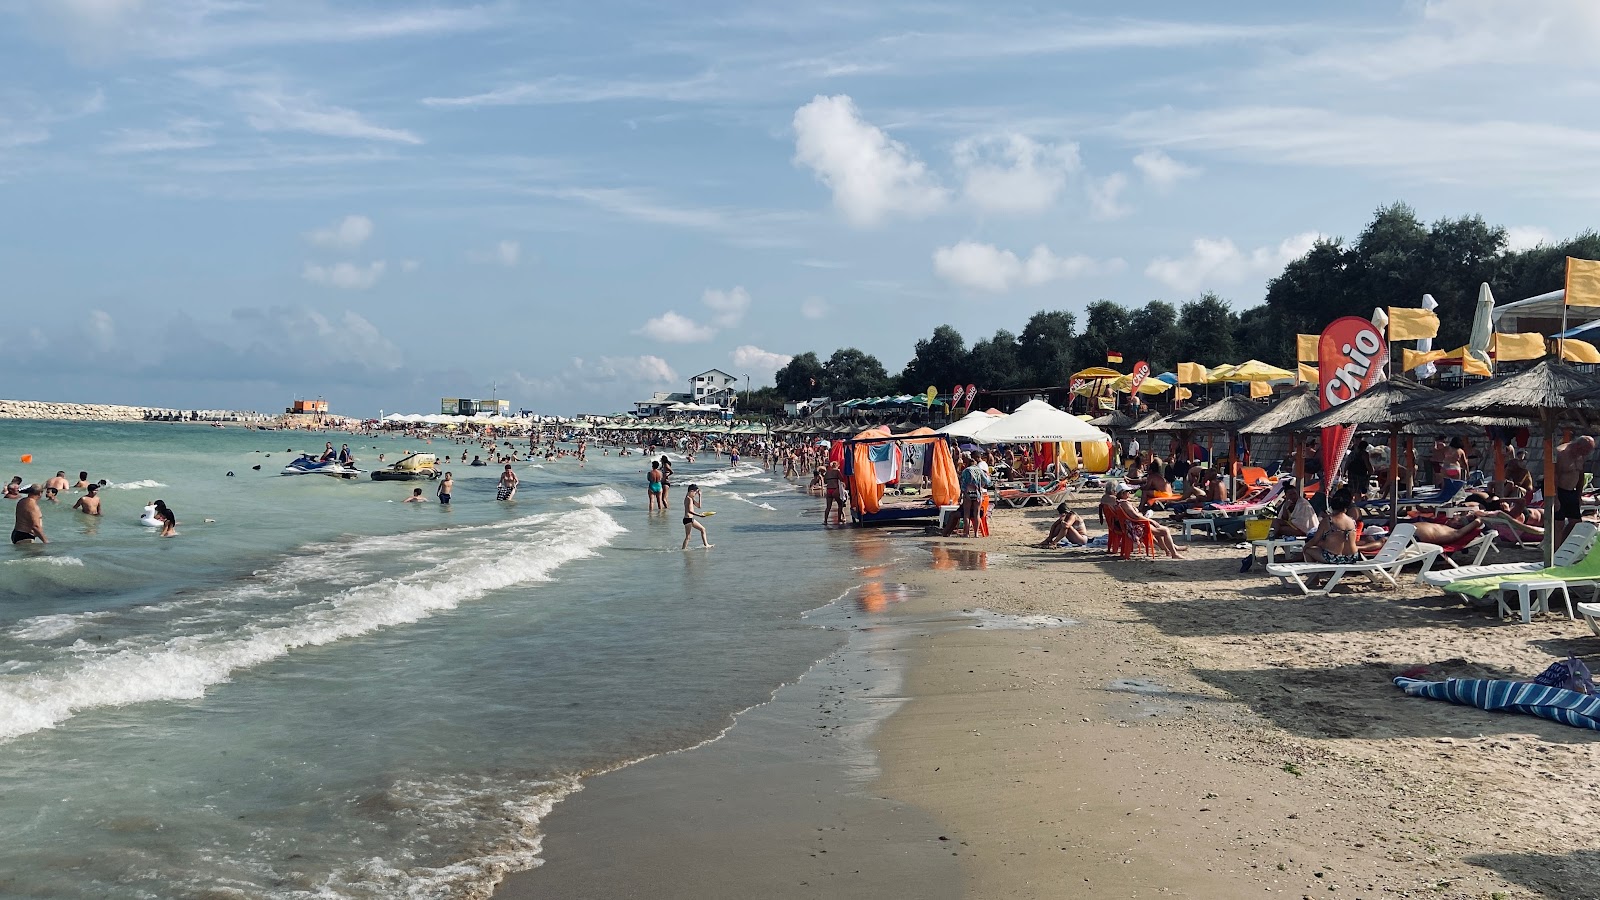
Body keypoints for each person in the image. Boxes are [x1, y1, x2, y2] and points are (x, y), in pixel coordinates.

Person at [1113, 487, 1182, 558]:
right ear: (1122, 493)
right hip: (1135, 526)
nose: (1130, 493)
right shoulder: (1125, 504)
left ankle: (1167, 550)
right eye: (1128, 491)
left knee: (1158, 528)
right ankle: (1174, 553)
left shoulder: (1118, 503)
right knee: (1165, 530)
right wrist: (1150, 520)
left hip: (1131, 525)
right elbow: (1135, 516)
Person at [1555, 435, 1596, 548]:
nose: (1587, 453)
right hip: (1558, 490)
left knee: (1575, 522)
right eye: (1586, 450)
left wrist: (1579, 495)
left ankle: (1561, 546)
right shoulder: (1561, 453)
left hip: (1571, 491)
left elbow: (1580, 476)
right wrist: (1555, 498)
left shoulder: (1580, 456)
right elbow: (1554, 476)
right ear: (1578, 446)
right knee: (1559, 523)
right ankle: (1553, 553)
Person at [1304, 489, 1361, 565]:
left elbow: (1315, 540)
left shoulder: (1328, 521)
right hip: (1352, 556)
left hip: (1334, 557)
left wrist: (1304, 547)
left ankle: (1314, 576)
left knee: (1308, 550)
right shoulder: (1352, 521)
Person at [947, 454, 991, 538]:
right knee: (976, 514)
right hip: (977, 493)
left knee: (966, 514)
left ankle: (966, 533)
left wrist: (961, 494)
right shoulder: (979, 470)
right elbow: (988, 482)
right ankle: (976, 534)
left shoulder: (966, 471)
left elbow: (962, 484)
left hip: (968, 493)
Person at [680, 483, 712, 549]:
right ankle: (683, 550)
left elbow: (699, 506)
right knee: (688, 537)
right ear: (691, 491)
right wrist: (699, 515)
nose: (695, 494)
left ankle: (706, 545)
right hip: (688, 519)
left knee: (703, 529)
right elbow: (689, 511)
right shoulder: (688, 499)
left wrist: (700, 496)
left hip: (690, 519)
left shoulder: (691, 499)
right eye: (695, 492)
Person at [823, 461, 845, 526]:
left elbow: (825, 482)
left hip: (829, 489)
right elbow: (842, 479)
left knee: (828, 507)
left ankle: (825, 521)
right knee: (840, 504)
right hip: (835, 489)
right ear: (837, 465)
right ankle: (839, 519)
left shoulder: (827, 472)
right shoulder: (837, 472)